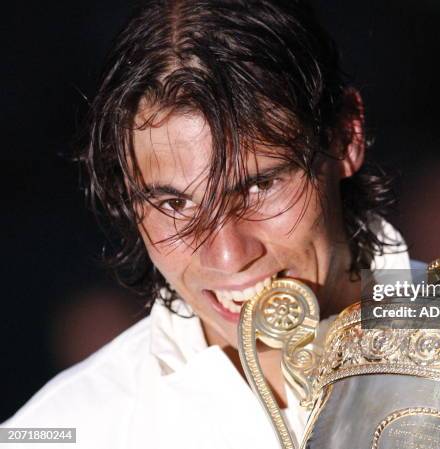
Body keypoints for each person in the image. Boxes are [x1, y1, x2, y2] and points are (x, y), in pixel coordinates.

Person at [3, 1, 410, 447]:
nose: (228, 255)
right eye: (176, 203)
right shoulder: (59, 433)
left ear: (345, 138)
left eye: (259, 186)